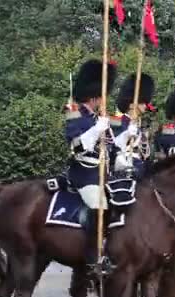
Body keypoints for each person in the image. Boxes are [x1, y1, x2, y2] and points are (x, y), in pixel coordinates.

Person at [65, 59, 118, 272]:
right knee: (99, 207)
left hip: (103, 174)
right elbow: (75, 145)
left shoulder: (98, 116)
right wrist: (97, 129)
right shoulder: (74, 110)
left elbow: (112, 148)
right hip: (84, 173)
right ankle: (92, 256)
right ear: (94, 94)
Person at [111, 73, 155, 178]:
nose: (146, 105)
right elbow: (112, 147)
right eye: (143, 101)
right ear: (132, 104)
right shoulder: (117, 122)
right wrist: (127, 134)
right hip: (124, 172)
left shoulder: (139, 128)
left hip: (140, 170)